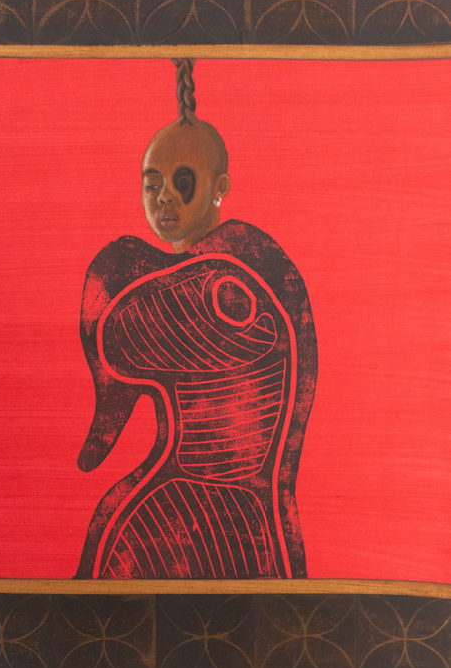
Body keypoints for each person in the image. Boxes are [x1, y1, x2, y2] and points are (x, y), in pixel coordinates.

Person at [75, 60, 317, 579]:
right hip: (215, 513)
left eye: (182, 181)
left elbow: (122, 337)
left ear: (220, 184)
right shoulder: (217, 269)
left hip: (227, 516)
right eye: (152, 184)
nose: (165, 196)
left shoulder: (232, 272)